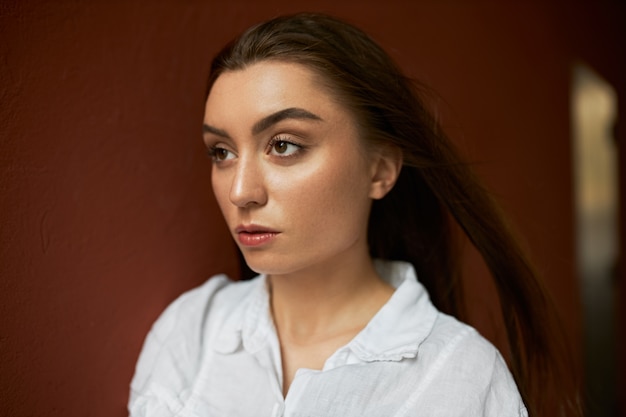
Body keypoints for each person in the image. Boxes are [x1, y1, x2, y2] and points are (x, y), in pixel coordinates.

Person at [129, 12, 580, 416]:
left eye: (284, 145)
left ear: (380, 169)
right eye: (222, 152)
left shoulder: (460, 377)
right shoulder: (189, 333)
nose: (241, 191)